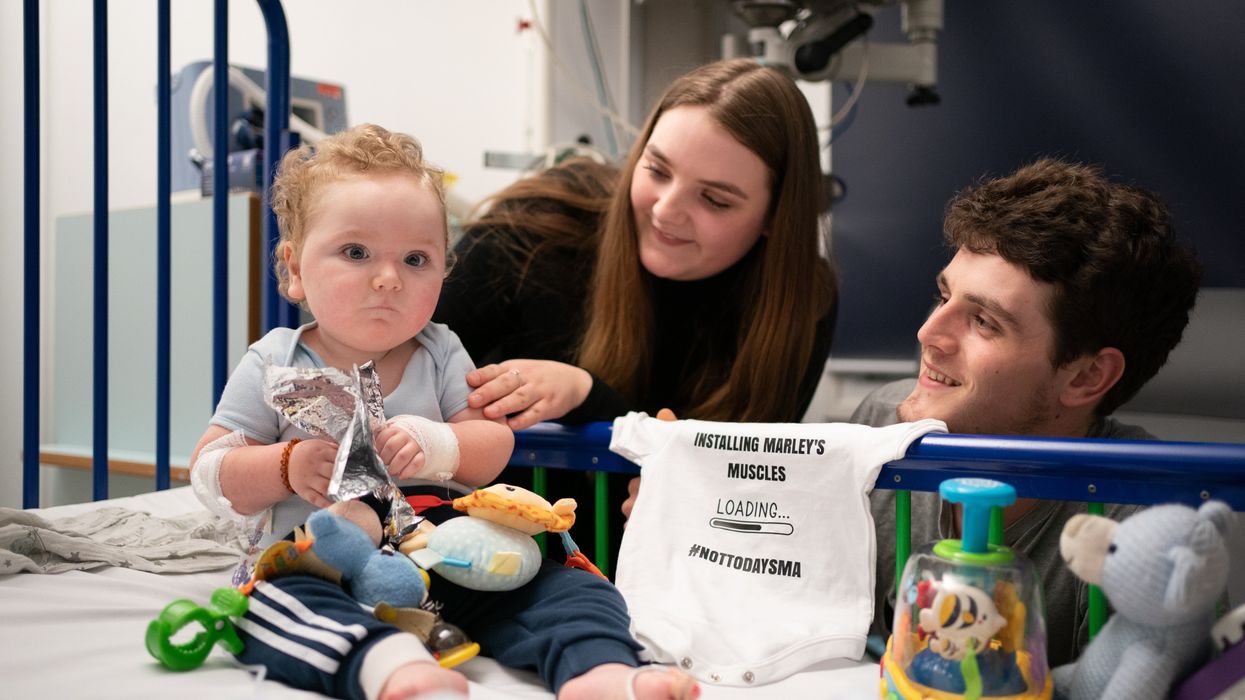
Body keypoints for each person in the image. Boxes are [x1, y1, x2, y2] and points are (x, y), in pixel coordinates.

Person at [188, 124, 696, 700]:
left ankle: (599, 671)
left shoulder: (441, 350)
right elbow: (210, 470)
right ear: (295, 268)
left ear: (444, 270)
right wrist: (285, 465)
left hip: (437, 553)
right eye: (355, 252)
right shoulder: (273, 359)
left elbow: (493, 448)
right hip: (316, 560)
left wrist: (438, 444)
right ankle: (393, 669)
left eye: (416, 258)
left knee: (560, 586)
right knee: (269, 604)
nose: (388, 277)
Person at [434, 58, 839, 561]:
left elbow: (738, 484)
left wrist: (586, 396)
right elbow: (397, 373)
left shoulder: (800, 304)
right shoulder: (539, 229)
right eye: (656, 170)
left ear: (775, 218)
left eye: (714, 199)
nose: (667, 209)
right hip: (473, 556)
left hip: (658, 586)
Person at [853, 157, 1202, 668]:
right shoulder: (880, 426)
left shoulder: (1145, 525)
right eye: (943, 296)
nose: (929, 332)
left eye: (984, 322)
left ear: (1085, 377)